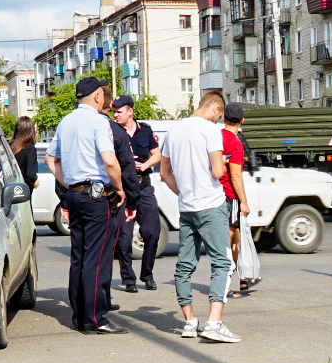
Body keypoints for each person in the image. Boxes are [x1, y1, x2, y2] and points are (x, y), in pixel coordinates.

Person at [158, 92, 240, 343]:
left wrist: (182, 191)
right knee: (221, 262)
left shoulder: (174, 130)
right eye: (220, 115)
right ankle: (214, 322)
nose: (219, 120)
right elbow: (217, 170)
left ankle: (189, 322)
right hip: (211, 205)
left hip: (187, 207)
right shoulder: (210, 130)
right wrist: (223, 165)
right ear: (216, 108)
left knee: (185, 265)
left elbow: (165, 172)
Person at [48, 77, 126, 334]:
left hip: (74, 195)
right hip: (96, 197)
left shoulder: (66, 121)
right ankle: (96, 319)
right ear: (97, 97)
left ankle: (80, 315)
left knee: (79, 255)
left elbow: (51, 159)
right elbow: (110, 162)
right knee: (97, 257)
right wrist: (119, 188)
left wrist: (69, 183)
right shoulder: (98, 121)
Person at [109, 96, 162, 291]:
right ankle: (128, 279)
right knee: (124, 236)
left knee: (152, 232)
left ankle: (147, 274)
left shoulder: (145, 131)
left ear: (130, 111)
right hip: (124, 189)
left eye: (119, 111)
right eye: (113, 112)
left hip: (144, 187)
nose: (115, 115)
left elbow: (157, 153)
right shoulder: (112, 132)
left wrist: (146, 164)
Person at [219, 103, 257, 294]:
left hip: (213, 194)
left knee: (225, 239)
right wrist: (243, 201)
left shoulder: (215, 137)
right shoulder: (235, 142)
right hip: (229, 195)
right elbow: (235, 175)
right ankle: (232, 279)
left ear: (223, 118)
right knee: (232, 239)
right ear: (242, 121)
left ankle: (242, 278)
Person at [9, 116, 39, 202]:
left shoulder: (9, 147)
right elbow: (30, 174)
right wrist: (34, 182)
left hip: (9, 189)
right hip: (23, 191)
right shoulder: (30, 148)